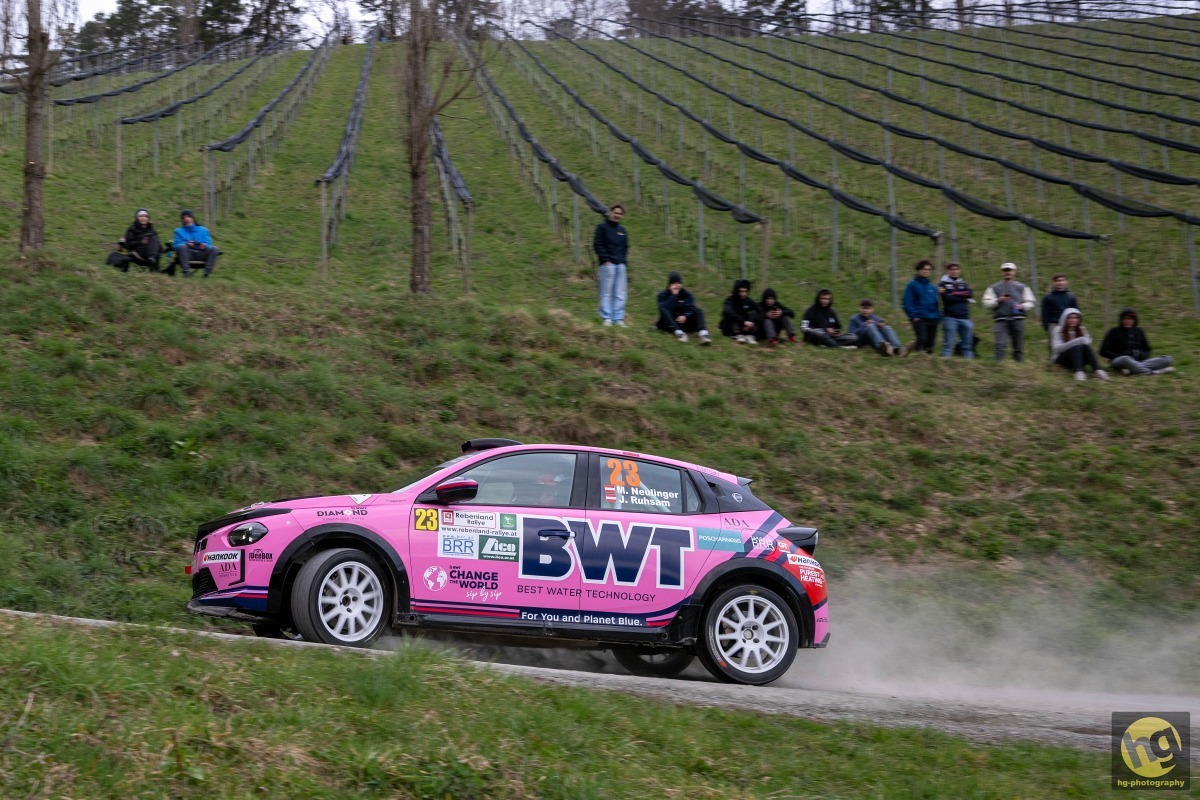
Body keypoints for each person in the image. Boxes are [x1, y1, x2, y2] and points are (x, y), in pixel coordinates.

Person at [982, 262, 1036, 362]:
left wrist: (1022, 306)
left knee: (1018, 347)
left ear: (1015, 272)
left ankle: (1019, 367)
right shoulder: (994, 287)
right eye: (1005, 270)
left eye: (1010, 270)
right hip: (1001, 320)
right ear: (1002, 272)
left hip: (1018, 319)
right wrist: (998, 300)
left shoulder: (1022, 287)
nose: (1008, 273)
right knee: (1000, 346)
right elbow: (986, 303)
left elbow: (1031, 302)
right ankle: (998, 366)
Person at [1099, 308, 1175, 376]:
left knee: (1167, 359)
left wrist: (1143, 355)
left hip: (1139, 361)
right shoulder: (1114, 331)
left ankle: (1133, 370)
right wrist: (1119, 355)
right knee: (1126, 359)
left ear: (1134, 320)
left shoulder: (1139, 331)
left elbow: (1147, 349)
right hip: (1120, 360)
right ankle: (1153, 372)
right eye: (1125, 319)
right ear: (1121, 319)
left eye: (1130, 319)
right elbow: (1103, 351)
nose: (1127, 321)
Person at [593, 204, 628, 327]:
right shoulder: (602, 227)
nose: (617, 215)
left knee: (620, 293)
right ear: (610, 213)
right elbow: (597, 244)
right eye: (615, 212)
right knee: (606, 292)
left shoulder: (622, 231)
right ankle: (606, 317)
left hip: (620, 265)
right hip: (607, 265)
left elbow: (625, 247)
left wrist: (623, 262)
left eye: (620, 213)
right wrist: (605, 259)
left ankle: (618, 318)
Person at [1050, 308, 1108, 381]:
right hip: (1062, 359)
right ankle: (1078, 372)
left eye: (1075, 318)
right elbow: (1056, 349)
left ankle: (1097, 370)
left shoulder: (1082, 329)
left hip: (1079, 358)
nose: (1073, 320)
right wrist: (1076, 341)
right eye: (1070, 318)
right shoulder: (1058, 330)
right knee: (1076, 347)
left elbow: (1088, 341)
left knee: (1084, 346)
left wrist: (1080, 341)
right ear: (1065, 318)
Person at [656, 271, 712, 345]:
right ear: (669, 285)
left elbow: (691, 308)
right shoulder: (662, 295)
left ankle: (703, 335)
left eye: (678, 283)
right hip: (670, 323)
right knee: (664, 310)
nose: (677, 286)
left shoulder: (687, 294)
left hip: (685, 322)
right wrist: (674, 296)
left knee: (698, 310)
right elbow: (664, 309)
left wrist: (685, 316)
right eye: (674, 283)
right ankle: (680, 334)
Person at [902, 259, 941, 354]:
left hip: (933, 318)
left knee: (930, 343)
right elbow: (907, 302)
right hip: (920, 317)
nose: (926, 271)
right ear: (918, 270)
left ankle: (928, 360)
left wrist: (938, 315)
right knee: (922, 339)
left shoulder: (932, 287)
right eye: (924, 269)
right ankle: (916, 357)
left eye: (929, 269)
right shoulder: (912, 285)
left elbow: (935, 303)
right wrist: (913, 315)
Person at [938, 262, 974, 359]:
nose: (954, 271)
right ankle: (945, 363)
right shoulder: (942, 284)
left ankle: (969, 364)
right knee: (948, 344)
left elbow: (970, 293)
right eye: (952, 269)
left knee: (967, 344)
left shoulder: (963, 283)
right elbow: (946, 298)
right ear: (948, 271)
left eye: (956, 269)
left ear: (959, 271)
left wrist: (954, 294)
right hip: (950, 317)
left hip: (964, 317)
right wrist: (962, 297)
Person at [172, 210, 220, 277]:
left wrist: (205, 246)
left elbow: (208, 244)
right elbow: (176, 246)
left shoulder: (203, 230)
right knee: (182, 247)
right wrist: (186, 244)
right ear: (182, 220)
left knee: (214, 249)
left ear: (193, 218)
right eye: (184, 217)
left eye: (188, 217)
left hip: (201, 254)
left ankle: (206, 274)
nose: (186, 219)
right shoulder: (179, 231)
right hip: (188, 254)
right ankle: (186, 273)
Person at [720, 279, 762, 343]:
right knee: (731, 314)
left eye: (745, 291)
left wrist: (753, 323)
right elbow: (727, 311)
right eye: (741, 291)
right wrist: (743, 322)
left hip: (745, 325)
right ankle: (738, 334)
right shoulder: (729, 300)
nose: (743, 294)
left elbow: (760, 310)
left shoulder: (748, 300)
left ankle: (748, 334)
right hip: (733, 325)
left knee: (754, 312)